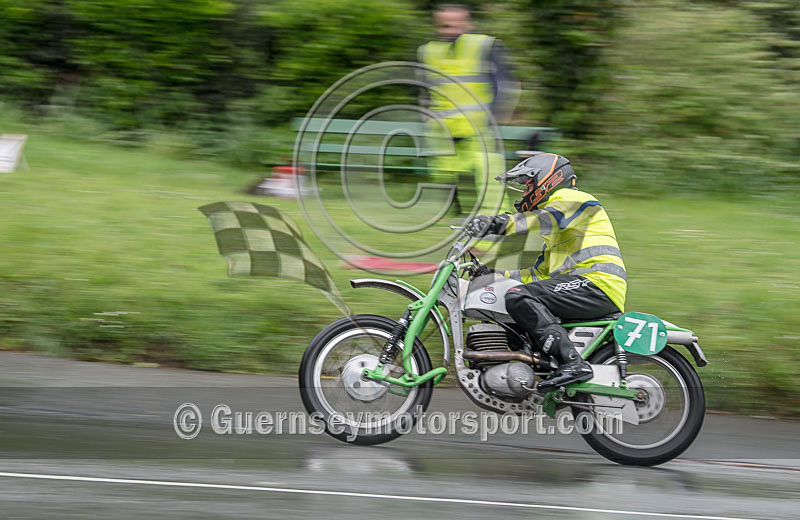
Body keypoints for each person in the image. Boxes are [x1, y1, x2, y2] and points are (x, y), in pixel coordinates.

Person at [466, 153, 627, 390]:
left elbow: (545, 218)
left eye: (527, 185)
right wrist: (495, 275)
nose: (524, 193)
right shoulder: (560, 231)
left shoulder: (573, 199)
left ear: (547, 180)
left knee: (519, 296)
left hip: (597, 283)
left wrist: (500, 223)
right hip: (582, 285)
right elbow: (538, 276)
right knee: (513, 299)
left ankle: (573, 363)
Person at [418, 4, 520, 216]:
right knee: (444, 174)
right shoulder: (427, 51)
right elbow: (423, 88)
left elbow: (505, 85)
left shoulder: (485, 45)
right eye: (444, 25)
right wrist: (425, 116)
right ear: (436, 25)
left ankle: (496, 219)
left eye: (457, 24)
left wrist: (495, 117)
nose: (450, 30)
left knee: (489, 177)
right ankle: (455, 213)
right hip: (442, 129)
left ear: (469, 23)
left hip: (478, 127)